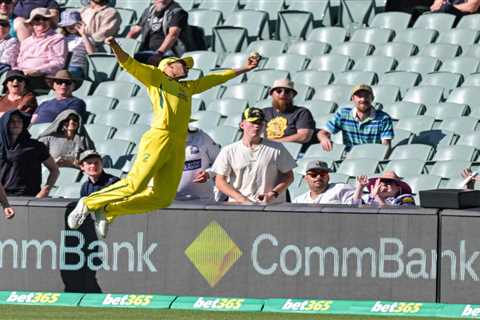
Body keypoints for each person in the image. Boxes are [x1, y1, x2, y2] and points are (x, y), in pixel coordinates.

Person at [67, 37, 260, 239]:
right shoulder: (156, 78)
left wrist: (244, 69)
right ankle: (88, 203)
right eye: (181, 63)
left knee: (162, 198)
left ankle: (109, 211)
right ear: (167, 66)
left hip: (179, 143)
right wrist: (115, 46)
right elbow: (129, 64)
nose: (186, 67)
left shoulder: (187, 87)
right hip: (160, 136)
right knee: (136, 184)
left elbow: (216, 78)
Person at [212, 107, 296, 204]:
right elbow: (220, 181)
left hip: (270, 206)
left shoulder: (277, 148)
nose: (256, 126)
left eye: (260, 123)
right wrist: (242, 199)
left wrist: (273, 194)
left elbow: (289, 176)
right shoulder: (229, 150)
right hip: (239, 206)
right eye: (253, 122)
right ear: (242, 125)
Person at [317, 84, 394, 153]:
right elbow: (322, 133)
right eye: (359, 96)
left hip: (372, 157)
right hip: (348, 158)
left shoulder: (384, 118)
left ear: (372, 98)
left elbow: (385, 147)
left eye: (366, 96)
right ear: (353, 98)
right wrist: (324, 138)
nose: (363, 99)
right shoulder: (343, 114)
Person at [0, 109, 59, 197]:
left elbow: (54, 170)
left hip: (29, 198)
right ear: (5, 124)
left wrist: (45, 191)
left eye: (19, 121)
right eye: (12, 121)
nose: (16, 124)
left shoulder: (36, 146)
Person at [15, 7, 67, 92]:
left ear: (49, 21)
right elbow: (19, 61)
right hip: (22, 75)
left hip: (42, 77)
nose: (41, 21)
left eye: (45, 18)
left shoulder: (57, 38)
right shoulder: (26, 41)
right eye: (37, 19)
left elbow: (58, 63)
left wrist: (38, 70)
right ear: (31, 23)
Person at [263, 79, 315, 145]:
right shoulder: (263, 112)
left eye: (287, 91)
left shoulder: (302, 113)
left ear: (293, 95)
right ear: (271, 94)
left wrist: (273, 143)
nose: (283, 94)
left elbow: (304, 136)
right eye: (279, 91)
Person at [176, 127, 220, 201]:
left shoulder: (201, 137)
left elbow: (220, 161)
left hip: (202, 199)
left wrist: (208, 174)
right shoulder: (158, 139)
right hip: (170, 201)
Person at [58, 10, 95, 78]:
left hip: (76, 67)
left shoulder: (86, 37)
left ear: (80, 23)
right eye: (67, 24)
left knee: (66, 73)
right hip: (61, 66)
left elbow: (92, 53)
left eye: (73, 24)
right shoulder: (62, 37)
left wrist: (83, 34)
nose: (70, 26)